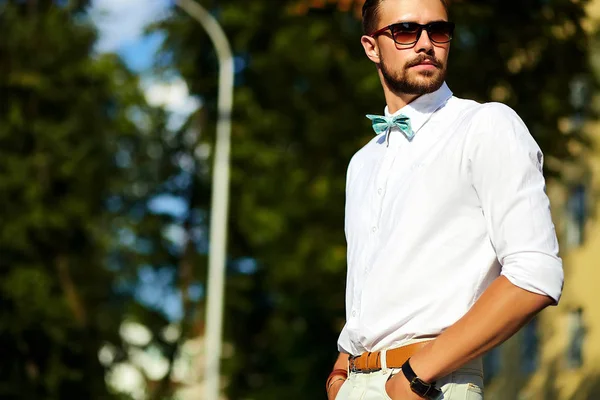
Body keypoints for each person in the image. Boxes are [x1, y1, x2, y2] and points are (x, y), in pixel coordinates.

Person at [325, 0, 564, 399]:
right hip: (356, 383)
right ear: (371, 47)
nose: (424, 43)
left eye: (438, 30)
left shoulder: (485, 126)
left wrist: (414, 377)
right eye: (404, 31)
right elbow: (370, 289)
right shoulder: (362, 161)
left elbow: (535, 274)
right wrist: (339, 374)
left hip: (431, 383)